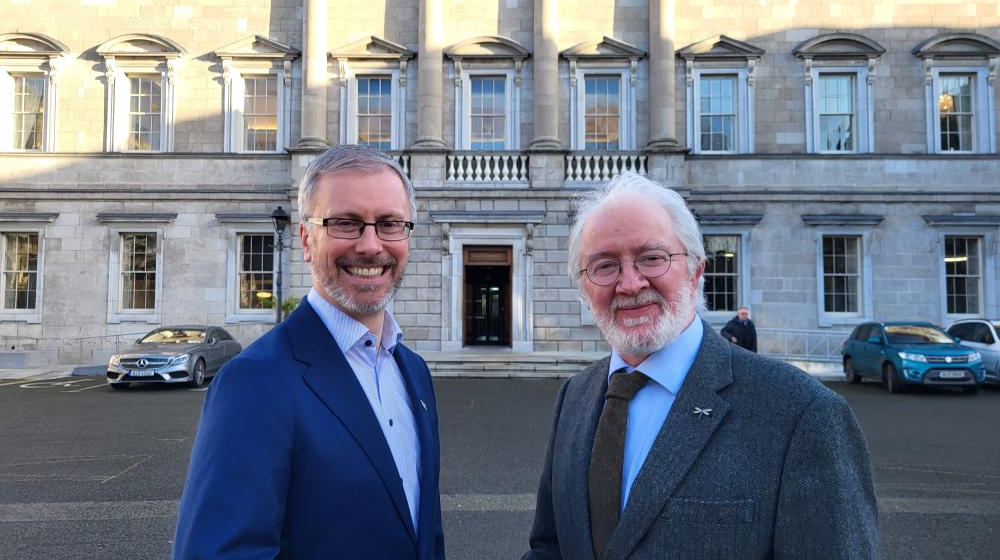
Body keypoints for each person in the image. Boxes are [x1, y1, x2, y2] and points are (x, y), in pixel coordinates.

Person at [523, 172, 878, 560]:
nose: (629, 283)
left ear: (695, 271)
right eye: (605, 265)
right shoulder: (574, 396)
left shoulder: (803, 415)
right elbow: (550, 546)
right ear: (584, 285)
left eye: (652, 258)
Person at [174, 145, 445, 559]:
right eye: (346, 223)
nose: (371, 245)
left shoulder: (414, 371)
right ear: (305, 239)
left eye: (389, 223)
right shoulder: (254, 382)